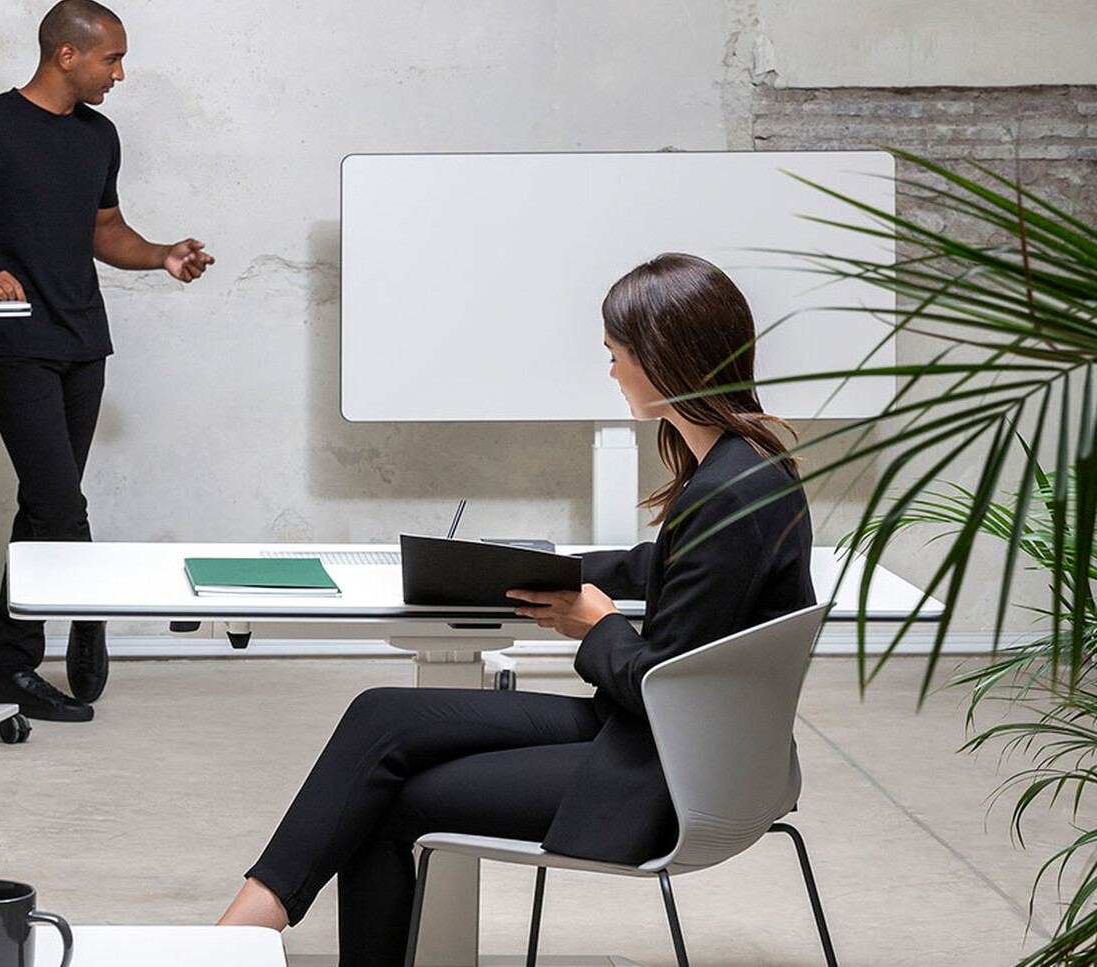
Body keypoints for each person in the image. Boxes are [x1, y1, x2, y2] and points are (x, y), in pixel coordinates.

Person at [216, 253, 815, 965]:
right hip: (671, 743)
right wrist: (528, 571)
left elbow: (661, 684)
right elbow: (665, 572)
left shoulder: (727, 494)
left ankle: (236, 936)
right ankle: (251, 920)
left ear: (660, 359)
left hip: (665, 774)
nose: (612, 372)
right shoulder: (745, 471)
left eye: (616, 355)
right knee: (381, 714)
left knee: (387, 801)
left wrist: (598, 623)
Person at [0, 0, 214, 723]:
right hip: (14, 341)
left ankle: (9, 670)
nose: (121, 72)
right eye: (112, 58)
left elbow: (105, 230)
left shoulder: (98, 136)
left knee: (41, 506)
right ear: (67, 56)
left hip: (85, 341)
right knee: (60, 503)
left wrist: (161, 255)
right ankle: (90, 607)